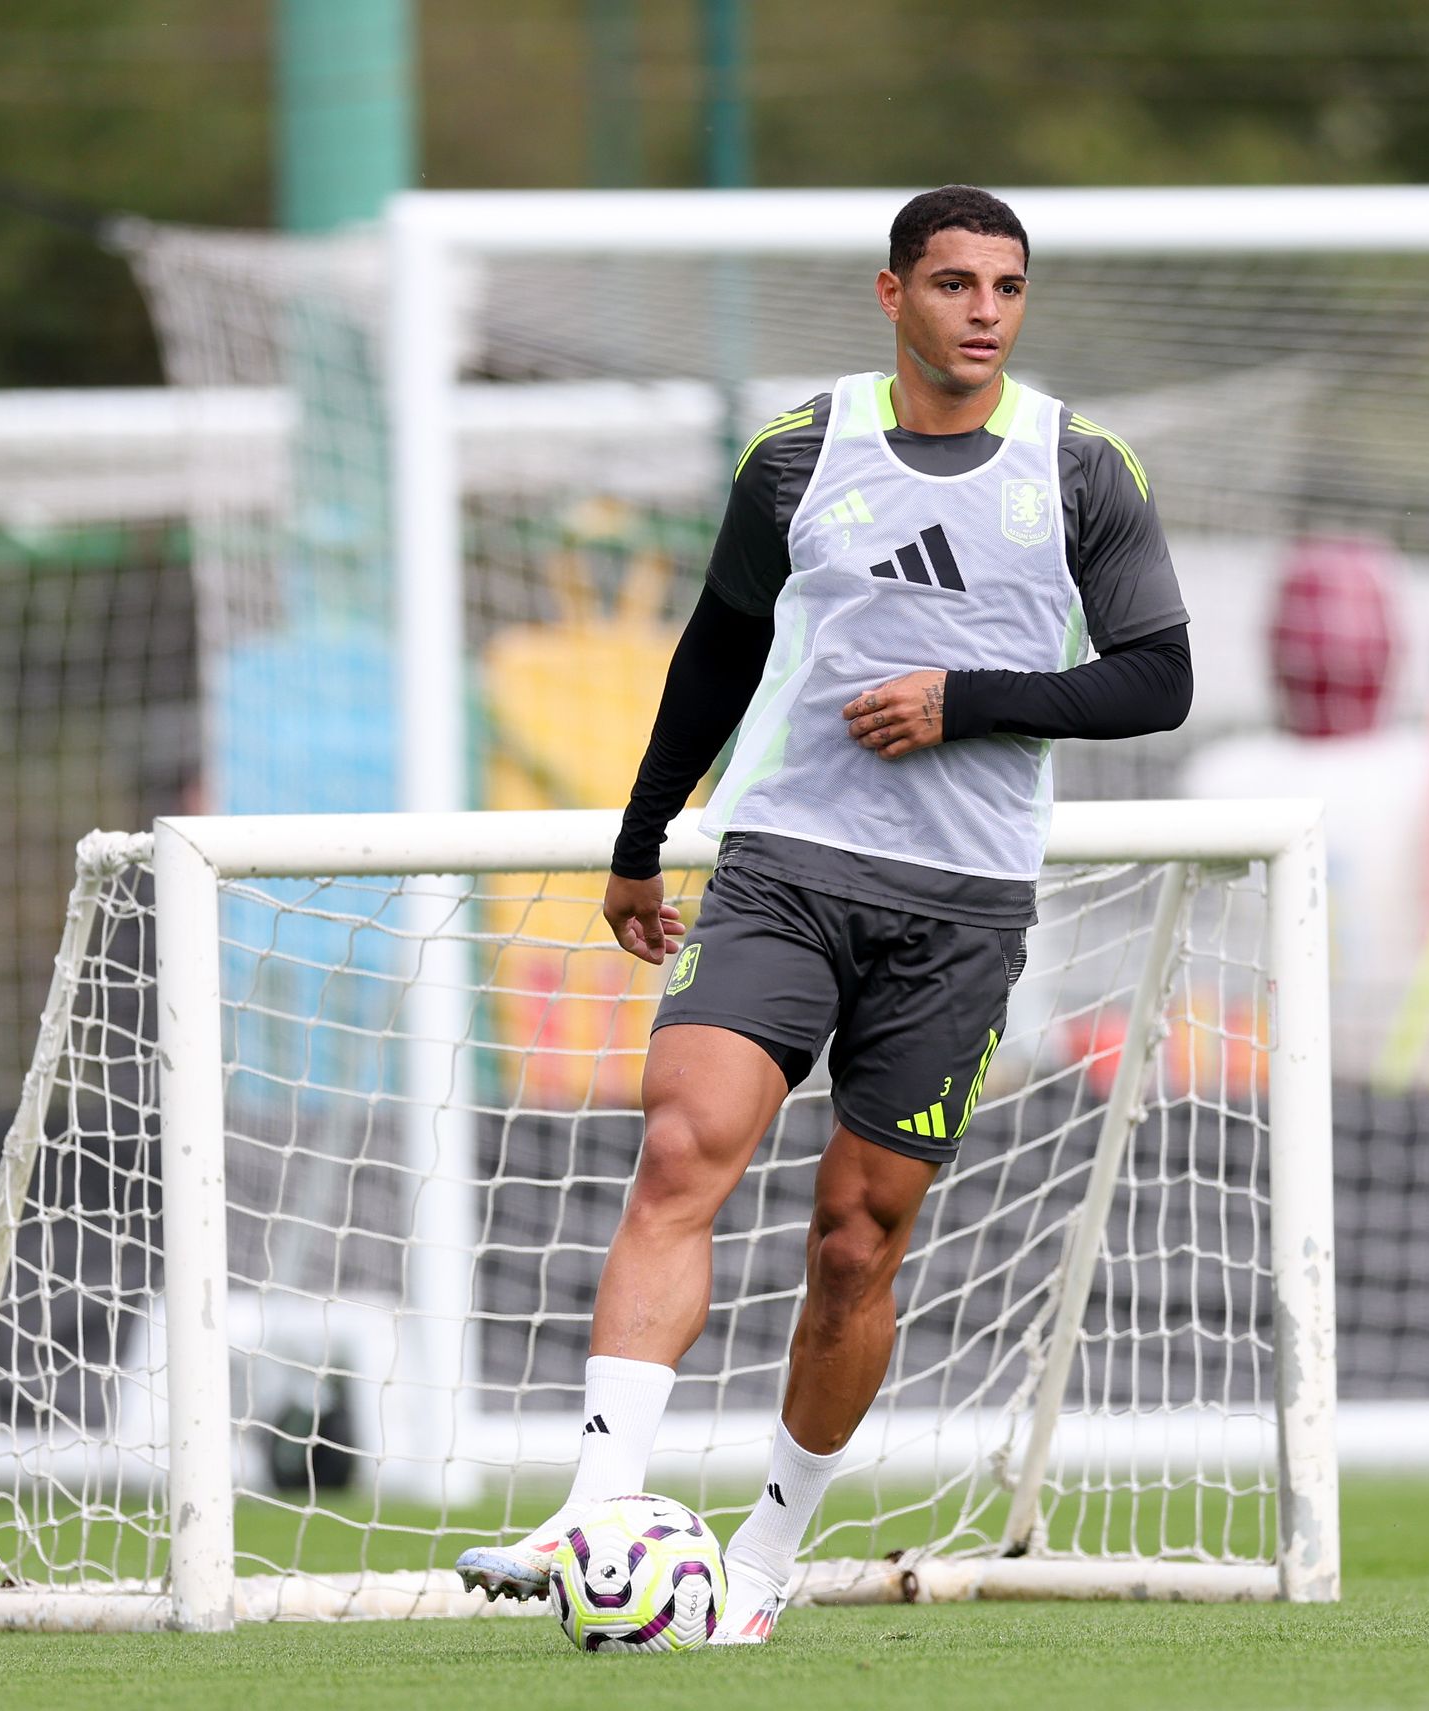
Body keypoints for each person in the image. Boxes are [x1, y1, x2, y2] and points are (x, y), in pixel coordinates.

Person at [455, 185, 1193, 1643]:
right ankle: (599, 1507)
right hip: (787, 864)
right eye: (954, 282)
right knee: (683, 1144)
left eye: (1007, 286)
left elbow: (1156, 677)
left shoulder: (1081, 467)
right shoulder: (799, 454)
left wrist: (964, 700)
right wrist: (640, 835)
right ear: (891, 294)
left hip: (963, 907)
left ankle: (768, 1564)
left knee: (857, 1239)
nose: (983, 309)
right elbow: (717, 649)